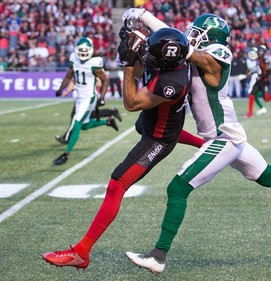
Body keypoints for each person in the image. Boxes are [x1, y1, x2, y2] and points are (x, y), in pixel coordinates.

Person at [119, 11, 271, 274]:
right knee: (268, 176)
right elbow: (177, 43)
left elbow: (180, 46)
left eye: (198, 32)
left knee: (177, 188)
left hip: (223, 137)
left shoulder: (215, 56)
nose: (191, 35)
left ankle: (158, 256)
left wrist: (145, 17)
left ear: (211, 38)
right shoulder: (201, 53)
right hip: (230, 135)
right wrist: (145, 19)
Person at [42, 27, 204, 268]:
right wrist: (133, 51)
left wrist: (129, 64)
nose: (148, 54)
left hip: (157, 140)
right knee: (146, 126)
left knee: (116, 184)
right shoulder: (172, 64)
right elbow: (144, 71)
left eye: (152, 52)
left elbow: (131, 102)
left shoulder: (172, 81)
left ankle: (81, 253)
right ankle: (206, 144)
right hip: (154, 126)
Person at [52, 37, 118, 165]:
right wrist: (61, 89)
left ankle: (66, 154)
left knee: (76, 123)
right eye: (80, 51)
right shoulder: (74, 60)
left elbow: (105, 80)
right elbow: (68, 76)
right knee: (84, 125)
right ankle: (108, 121)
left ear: (91, 50)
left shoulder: (94, 63)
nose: (82, 53)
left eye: (85, 50)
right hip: (79, 97)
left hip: (89, 97)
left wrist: (103, 97)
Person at [54, 79, 123, 145]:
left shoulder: (90, 69)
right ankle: (110, 115)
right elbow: (73, 80)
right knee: (85, 117)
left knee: (76, 117)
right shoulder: (79, 69)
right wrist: (67, 91)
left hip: (87, 97)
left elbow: (99, 83)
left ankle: (66, 137)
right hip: (82, 98)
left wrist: (89, 82)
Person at [245, 44, 271, 118]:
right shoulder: (257, 60)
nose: (260, 53)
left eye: (261, 52)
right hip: (259, 81)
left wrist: (261, 76)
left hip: (263, 81)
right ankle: (250, 112)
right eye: (259, 51)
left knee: (266, 98)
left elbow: (268, 71)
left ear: (264, 53)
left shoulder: (265, 60)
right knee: (251, 94)